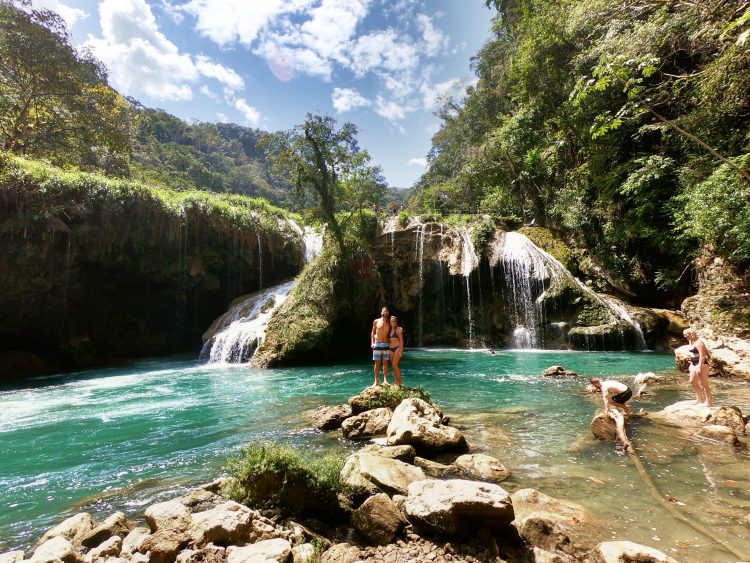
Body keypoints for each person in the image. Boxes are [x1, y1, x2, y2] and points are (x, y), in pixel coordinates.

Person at [683, 328, 712, 406]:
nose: (685, 336)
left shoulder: (699, 342)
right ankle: (700, 399)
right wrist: (691, 364)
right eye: (684, 335)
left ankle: (708, 402)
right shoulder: (691, 342)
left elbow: (702, 355)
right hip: (694, 363)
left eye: (686, 334)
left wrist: (699, 366)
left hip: (702, 364)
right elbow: (693, 355)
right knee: (692, 381)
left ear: (691, 334)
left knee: (704, 384)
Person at [371, 307, 391, 386]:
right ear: (381, 312)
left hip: (386, 344)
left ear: (388, 313)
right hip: (377, 343)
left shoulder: (389, 322)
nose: (385, 312)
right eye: (384, 311)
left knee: (385, 363)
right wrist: (372, 342)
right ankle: (376, 381)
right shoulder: (376, 321)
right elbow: (373, 332)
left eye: (386, 311)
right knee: (377, 363)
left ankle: (385, 380)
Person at [388, 315, 405, 386]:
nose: (392, 322)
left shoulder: (399, 329)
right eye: (391, 321)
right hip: (390, 349)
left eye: (394, 321)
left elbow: (401, 340)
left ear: (396, 322)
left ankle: (400, 382)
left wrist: (401, 351)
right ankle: (396, 381)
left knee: (395, 365)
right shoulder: (388, 330)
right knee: (393, 365)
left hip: (397, 348)